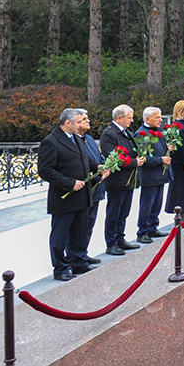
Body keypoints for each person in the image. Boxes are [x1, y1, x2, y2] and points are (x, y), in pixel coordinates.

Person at [37, 108, 109, 281]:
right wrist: (69, 183)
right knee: (60, 235)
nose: (81, 124)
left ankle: (79, 262)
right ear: (67, 123)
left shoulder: (76, 138)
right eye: (78, 122)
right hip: (64, 197)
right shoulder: (51, 142)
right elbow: (45, 170)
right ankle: (60, 268)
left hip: (82, 195)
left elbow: (84, 159)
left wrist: (97, 167)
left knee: (80, 231)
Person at [100, 104, 145, 255]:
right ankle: (111, 242)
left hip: (128, 180)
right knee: (114, 213)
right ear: (119, 118)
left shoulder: (126, 132)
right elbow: (113, 157)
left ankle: (120, 238)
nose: (132, 120)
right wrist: (134, 162)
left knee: (124, 212)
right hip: (117, 180)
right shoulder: (109, 134)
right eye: (129, 118)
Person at [70, 110, 105, 271]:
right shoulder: (73, 141)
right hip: (85, 187)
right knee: (79, 225)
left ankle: (83, 253)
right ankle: (74, 256)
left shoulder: (89, 138)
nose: (88, 121)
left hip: (96, 187)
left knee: (89, 223)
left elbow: (97, 157)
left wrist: (103, 167)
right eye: (83, 119)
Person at [134, 106, 172, 244]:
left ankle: (153, 226)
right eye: (157, 117)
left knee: (157, 203)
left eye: (160, 117)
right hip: (149, 175)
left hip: (160, 174)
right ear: (147, 119)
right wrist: (161, 160)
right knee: (147, 204)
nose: (160, 120)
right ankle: (143, 231)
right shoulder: (141, 134)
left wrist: (169, 149)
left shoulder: (158, 131)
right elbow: (143, 157)